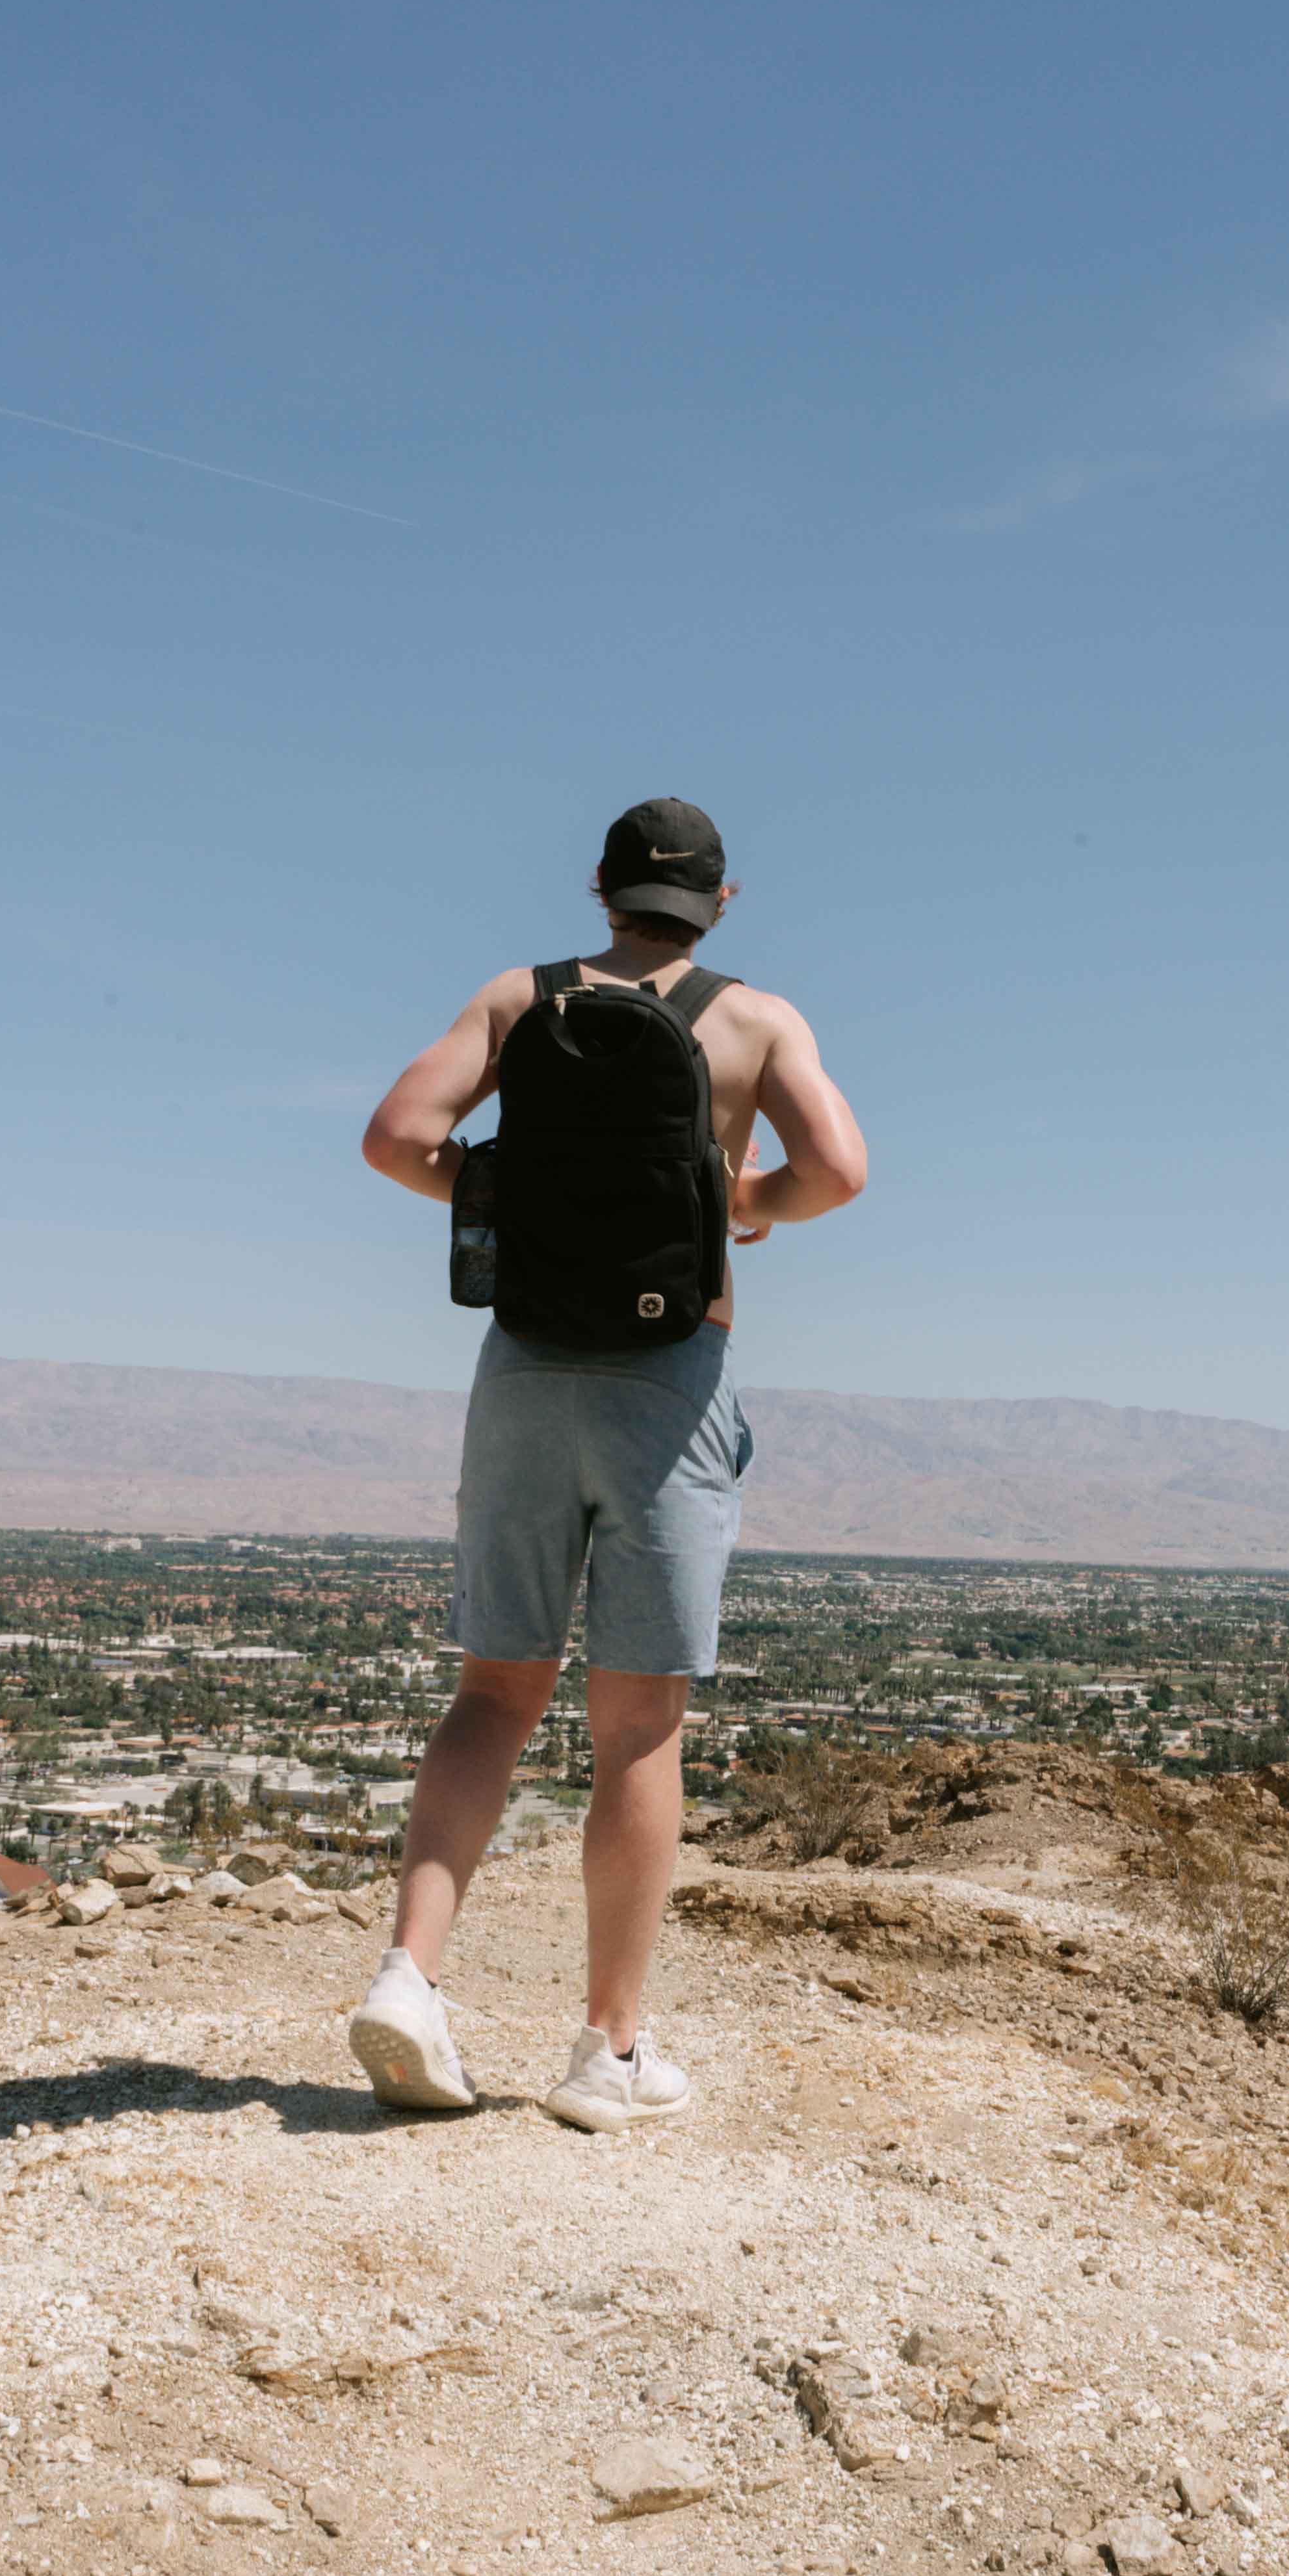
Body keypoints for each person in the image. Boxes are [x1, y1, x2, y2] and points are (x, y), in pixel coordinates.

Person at [350, 797, 866, 2131]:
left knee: (491, 1695)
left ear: (601, 887)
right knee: (636, 1728)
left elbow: (395, 1138)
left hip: (521, 1373)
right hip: (668, 1384)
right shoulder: (753, 1020)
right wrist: (738, 1203)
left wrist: (502, 1201)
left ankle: (410, 1980)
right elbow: (842, 1170)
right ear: (720, 902)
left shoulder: (520, 998)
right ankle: (607, 2049)